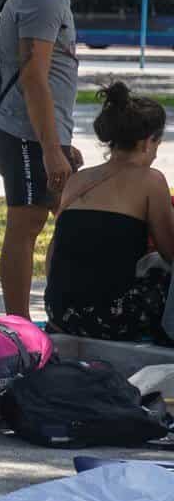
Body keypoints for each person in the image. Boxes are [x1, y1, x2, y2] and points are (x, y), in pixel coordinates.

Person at [0, 0, 103, 319]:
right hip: (24, 135)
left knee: (72, 221)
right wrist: (50, 148)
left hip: (44, 135)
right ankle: (18, 331)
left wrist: (60, 143)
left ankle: (61, 314)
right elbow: (34, 78)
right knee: (25, 229)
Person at [44, 83, 174, 343]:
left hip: (59, 312)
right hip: (112, 319)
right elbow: (170, 251)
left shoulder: (78, 180)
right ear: (148, 142)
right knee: (160, 270)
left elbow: (54, 252)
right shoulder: (151, 181)